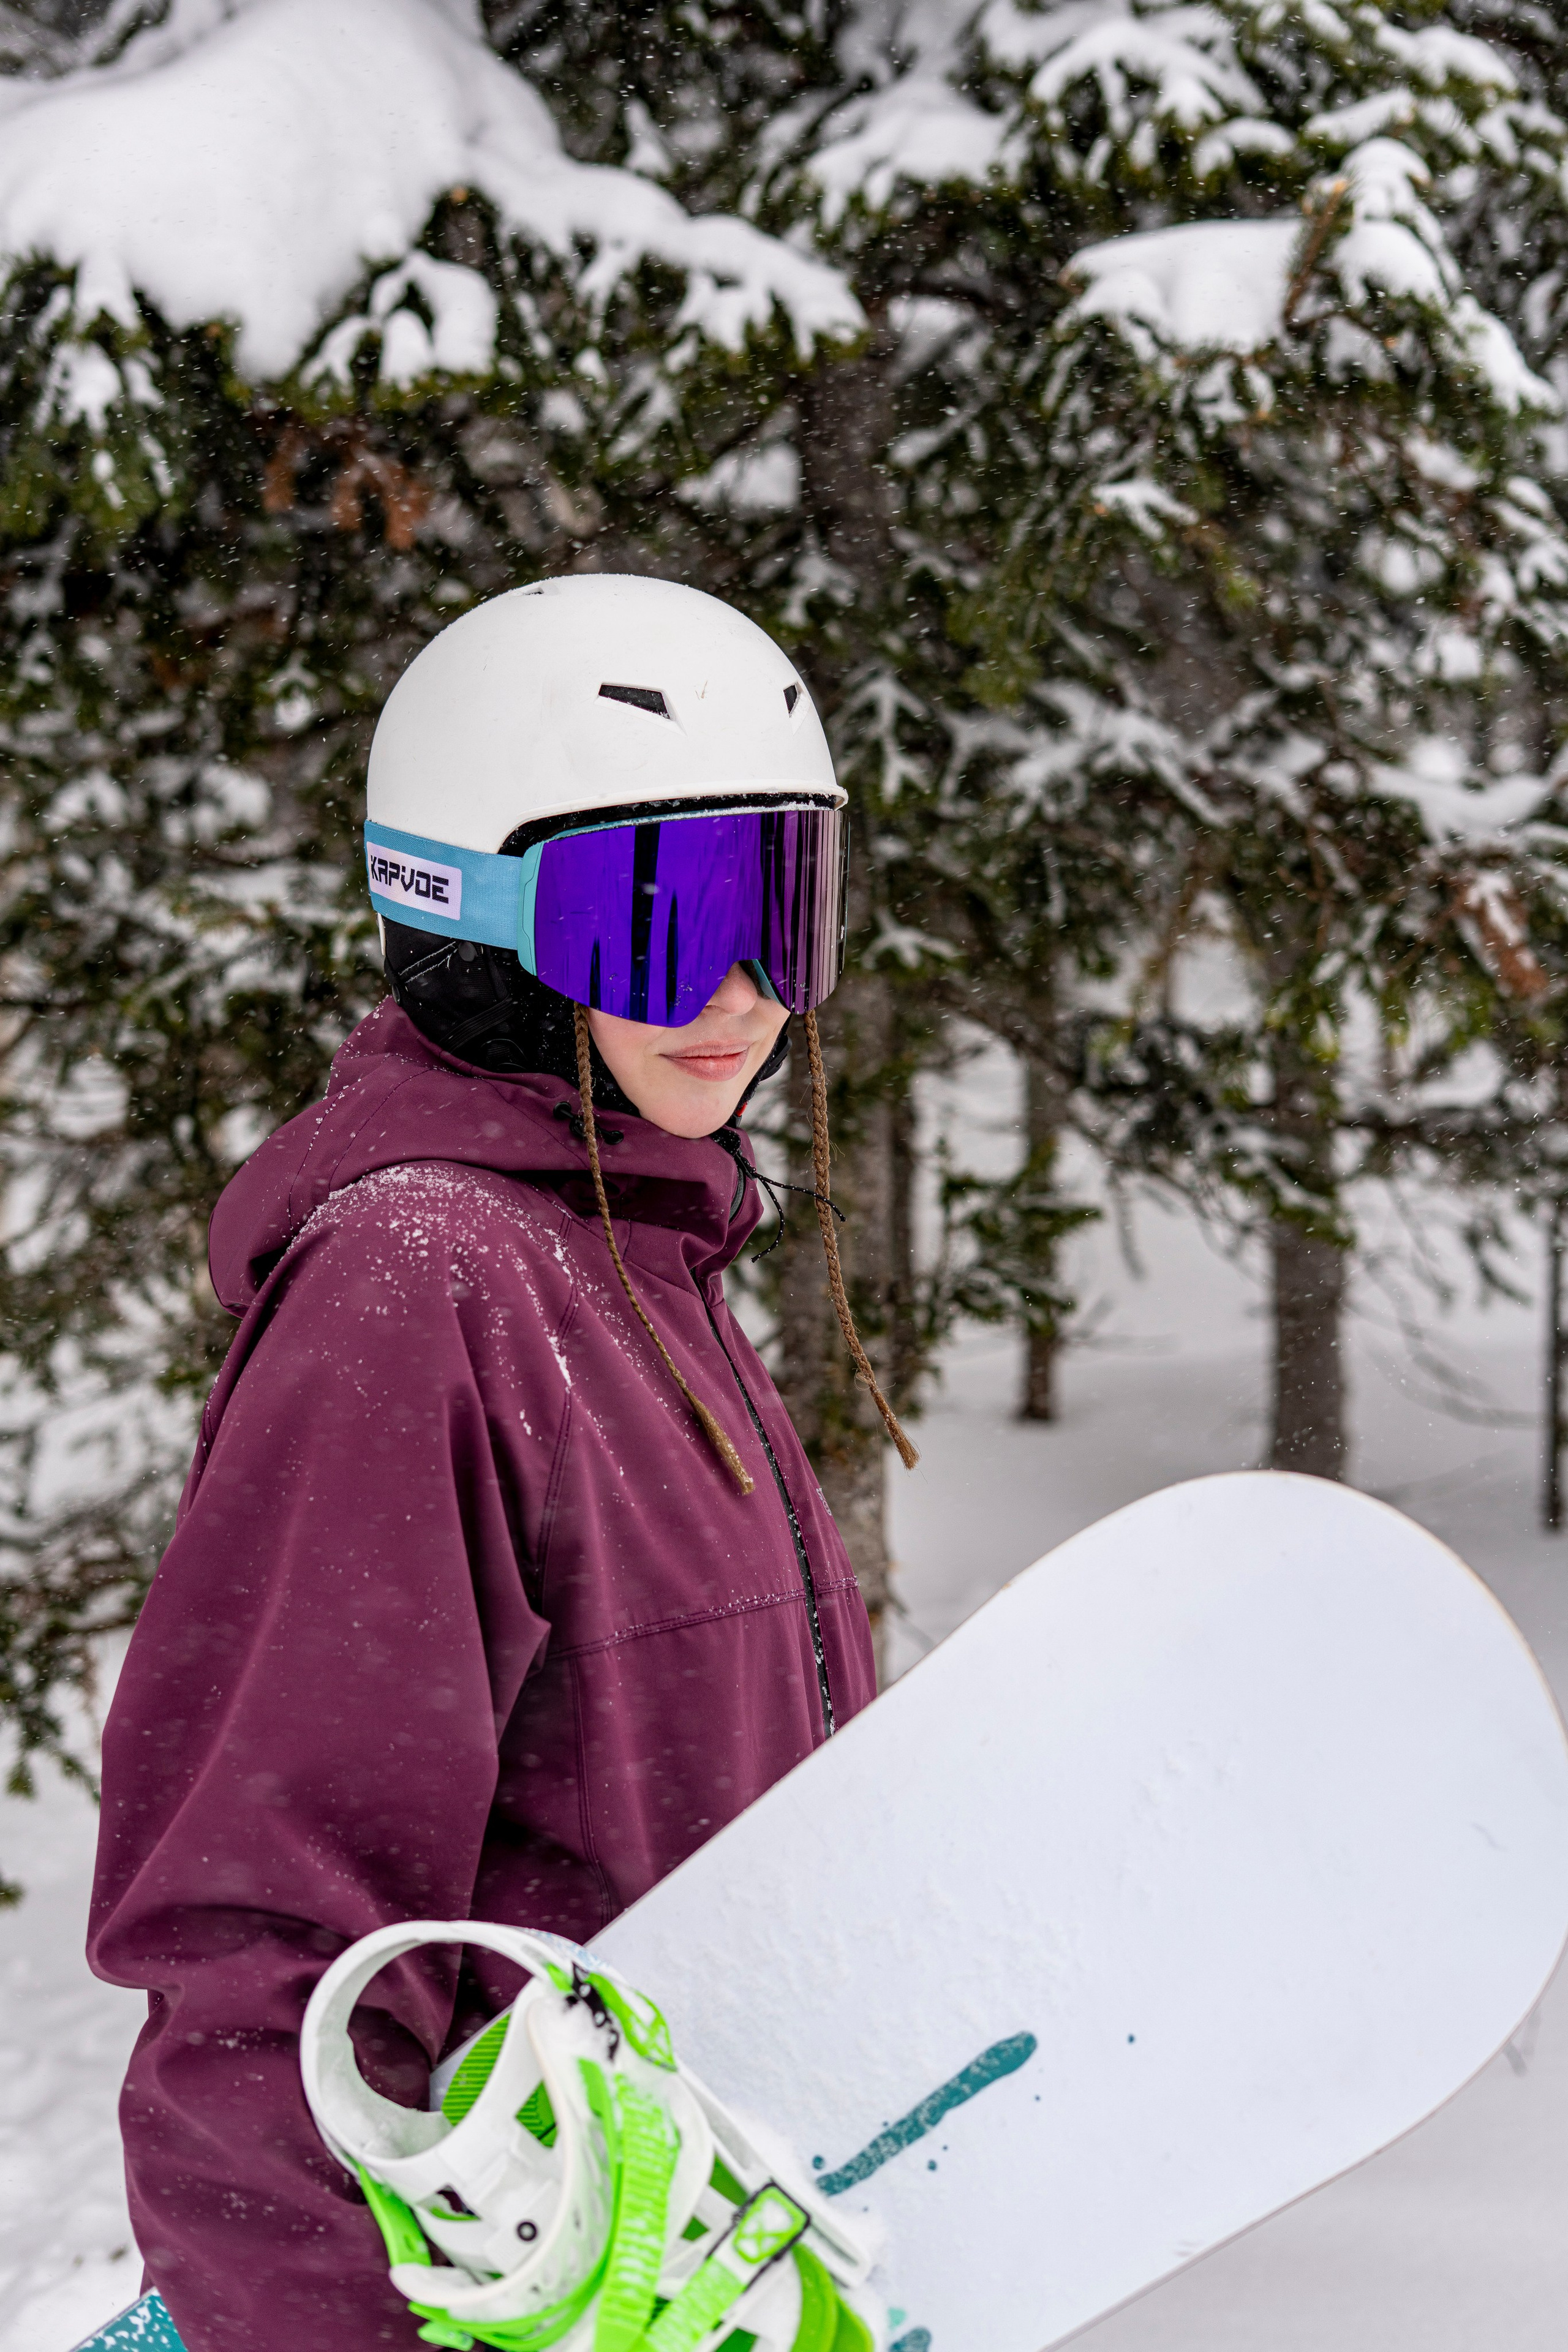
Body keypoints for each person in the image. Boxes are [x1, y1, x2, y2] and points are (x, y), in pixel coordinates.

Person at [86, 575, 916, 2352]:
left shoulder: (635, 1252)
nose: (749, 993)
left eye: (784, 908)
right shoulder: (421, 1285)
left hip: (680, 2280)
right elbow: (263, 1940)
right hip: (487, 2290)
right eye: (669, 919)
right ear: (474, 922)